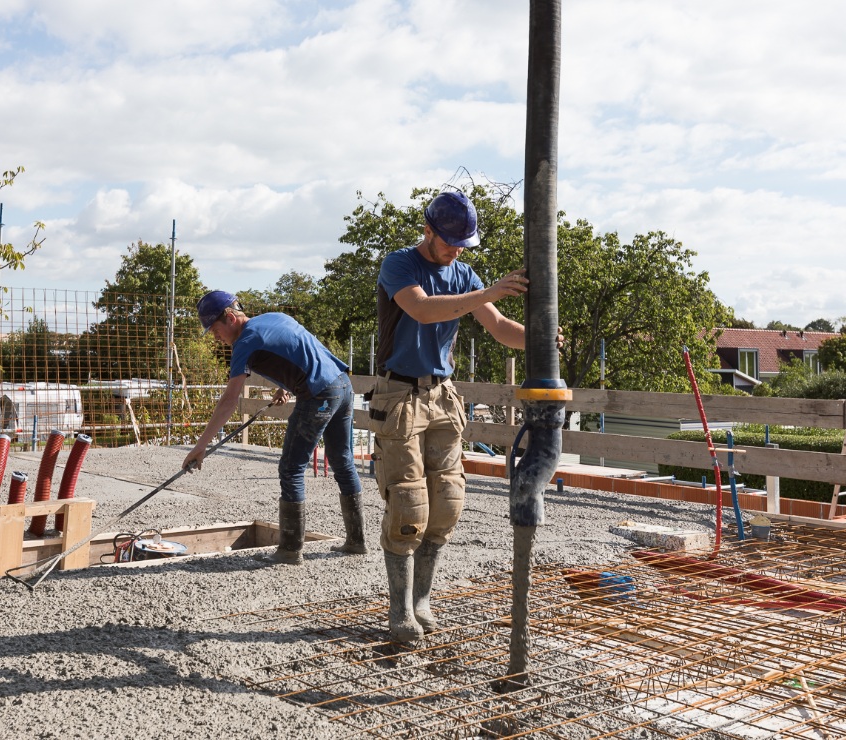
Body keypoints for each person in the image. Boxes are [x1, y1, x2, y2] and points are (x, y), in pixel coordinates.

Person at [371, 190, 562, 642]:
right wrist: (489, 290)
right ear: (428, 230)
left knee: (447, 502)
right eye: (449, 242)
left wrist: (537, 338)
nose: (456, 251)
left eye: (462, 244)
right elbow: (420, 308)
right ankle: (399, 610)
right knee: (408, 503)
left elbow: (497, 327)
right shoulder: (399, 264)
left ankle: (422, 599)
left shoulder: (463, 273)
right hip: (400, 394)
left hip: (442, 395)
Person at [183, 290, 366, 563]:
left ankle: (290, 550)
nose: (215, 337)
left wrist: (200, 447)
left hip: (318, 394)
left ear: (231, 318)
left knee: (291, 467)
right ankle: (356, 542)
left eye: (215, 329)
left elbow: (229, 400)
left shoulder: (245, 341)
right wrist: (285, 385)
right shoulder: (274, 318)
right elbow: (298, 350)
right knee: (342, 461)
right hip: (342, 386)